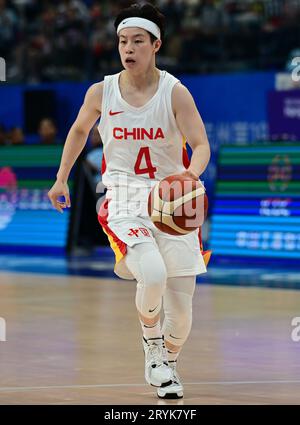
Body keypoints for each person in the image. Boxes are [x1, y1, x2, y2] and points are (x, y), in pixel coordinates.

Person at [48, 2, 211, 400]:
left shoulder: (176, 91)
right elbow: (78, 131)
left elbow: (201, 144)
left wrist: (191, 175)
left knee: (183, 315)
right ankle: (151, 348)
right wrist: (60, 178)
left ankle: (169, 362)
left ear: (156, 44)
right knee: (151, 273)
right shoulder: (101, 91)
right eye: (123, 41)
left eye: (138, 41)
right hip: (123, 197)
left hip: (173, 200)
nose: (128, 48)